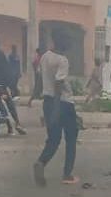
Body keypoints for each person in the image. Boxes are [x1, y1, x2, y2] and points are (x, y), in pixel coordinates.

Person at [33, 29, 78, 186]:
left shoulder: (45, 56)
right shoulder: (62, 60)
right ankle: (67, 174)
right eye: (69, 41)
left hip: (48, 101)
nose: (70, 44)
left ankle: (41, 162)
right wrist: (57, 109)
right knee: (71, 137)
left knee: (54, 138)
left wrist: (34, 97)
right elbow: (59, 84)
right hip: (63, 103)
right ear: (62, 42)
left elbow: (39, 78)